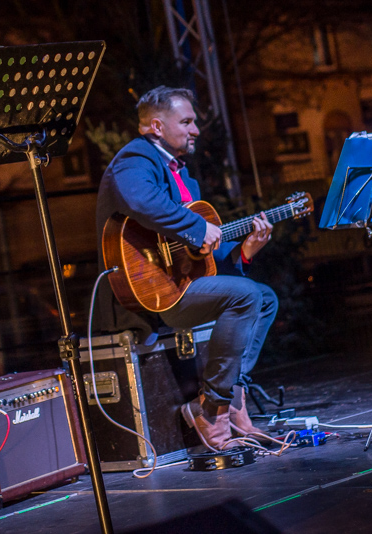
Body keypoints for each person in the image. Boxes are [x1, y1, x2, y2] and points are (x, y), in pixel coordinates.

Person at [95, 86, 279, 451]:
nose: (196, 130)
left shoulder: (182, 176)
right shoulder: (135, 158)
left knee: (265, 297)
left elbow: (207, 258)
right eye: (188, 121)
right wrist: (196, 228)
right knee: (245, 296)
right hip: (152, 291)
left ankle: (230, 398)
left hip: (180, 284)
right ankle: (211, 408)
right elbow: (141, 200)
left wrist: (244, 251)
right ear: (157, 127)